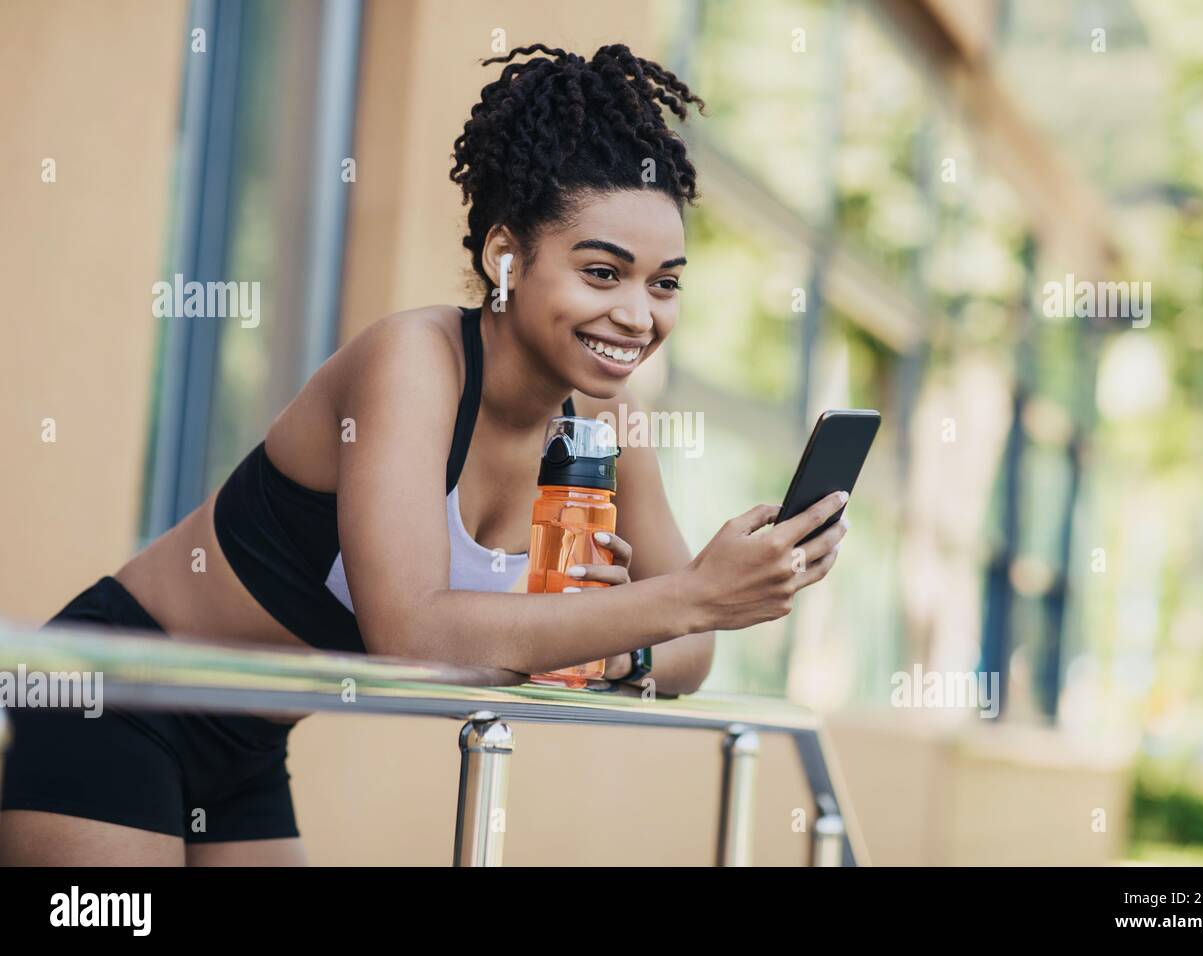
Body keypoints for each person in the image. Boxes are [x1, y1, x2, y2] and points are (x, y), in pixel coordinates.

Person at [0, 42, 848, 866]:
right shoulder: (415, 361)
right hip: (116, 699)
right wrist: (687, 598)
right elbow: (412, 632)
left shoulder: (612, 424)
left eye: (664, 283)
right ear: (506, 259)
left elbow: (688, 653)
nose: (638, 314)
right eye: (602, 273)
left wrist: (640, 629)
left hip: (248, 743)